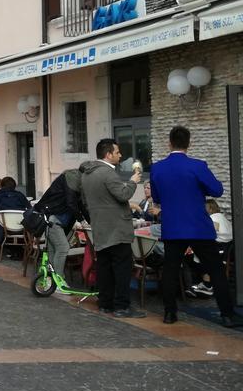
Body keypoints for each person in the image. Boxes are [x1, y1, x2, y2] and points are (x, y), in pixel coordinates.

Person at [149, 126, 234, 327]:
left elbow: (157, 197)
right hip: (198, 226)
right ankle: (227, 315)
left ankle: (170, 313)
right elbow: (217, 190)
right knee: (216, 270)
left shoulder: (157, 168)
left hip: (173, 227)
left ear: (169, 143)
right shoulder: (198, 166)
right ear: (189, 143)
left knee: (170, 270)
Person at [79, 138, 144, 318]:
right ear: (108, 154)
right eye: (117, 152)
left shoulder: (87, 174)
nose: (120, 155)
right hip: (117, 228)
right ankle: (122, 306)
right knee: (122, 268)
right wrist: (133, 181)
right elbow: (123, 195)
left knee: (104, 267)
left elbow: (85, 201)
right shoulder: (108, 173)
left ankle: (105, 303)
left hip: (100, 227)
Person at [33, 169, 85, 285]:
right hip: (54, 220)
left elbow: (80, 205)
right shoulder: (72, 183)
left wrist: (88, 220)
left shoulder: (69, 183)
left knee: (53, 250)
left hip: (52, 220)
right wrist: (82, 220)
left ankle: (50, 280)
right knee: (63, 247)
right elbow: (72, 204)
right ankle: (59, 281)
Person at [0, 175, 30, 248]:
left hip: (2, 227)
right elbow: (29, 209)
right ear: (14, 186)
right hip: (20, 227)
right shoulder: (20, 195)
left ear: (2, 186)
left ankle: (1, 245)